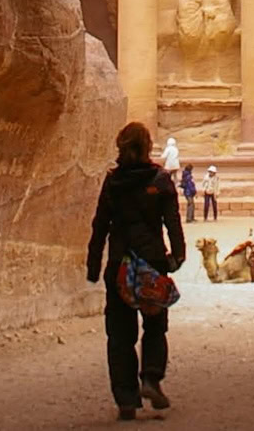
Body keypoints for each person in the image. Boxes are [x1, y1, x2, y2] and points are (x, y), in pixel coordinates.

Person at [87, 122, 186, 421]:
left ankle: (126, 400)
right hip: (152, 264)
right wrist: (176, 257)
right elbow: (172, 223)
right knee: (155, 326)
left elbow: (100, 225)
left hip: (119, 266)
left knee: (119, 334)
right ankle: (151, 379)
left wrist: (94, 265)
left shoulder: (113, 182)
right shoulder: (160, 179)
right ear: (147, 146)